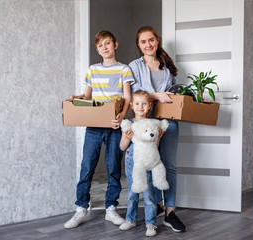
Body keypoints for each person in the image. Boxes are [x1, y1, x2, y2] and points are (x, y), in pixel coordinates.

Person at [64, 30, 135, 229]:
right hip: (94, 126)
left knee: (113, 167)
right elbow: (87, 96)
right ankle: (81, 209)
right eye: (100, 45)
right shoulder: (93, 70)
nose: (104, 47)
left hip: (114, 125)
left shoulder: (124, 69)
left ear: (115, 45)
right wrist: (74, 99)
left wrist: (122, 115)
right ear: (97, 49)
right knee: (87, 166)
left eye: (107, 43)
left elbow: (127, 97)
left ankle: (111, 209)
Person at [128, 26, 186, 233]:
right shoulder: (134, 66)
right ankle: (155, 209)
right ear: (139, 45)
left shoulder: (167, 67)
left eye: (151, 40)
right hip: (146, 124)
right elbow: (135, 95)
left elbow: (175, 93)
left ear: (157, 40)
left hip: (168, 121)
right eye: (143, 42)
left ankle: (170, 211)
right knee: (149, 165)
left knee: (169, 165)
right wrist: (155, 96)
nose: (148, 45)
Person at [119, 90, 163, 237]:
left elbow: (154, 147)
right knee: (132, 193)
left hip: (148, 163)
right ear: (131, 105)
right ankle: (131, 219)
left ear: (149, 106)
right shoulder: (128, 124)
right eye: (137, 103)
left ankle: (150, 223)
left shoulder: (153, 124)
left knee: (149, 194)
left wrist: (158, 138)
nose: (140, 107)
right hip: (132, 163)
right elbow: (122, 147)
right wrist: (126, 137)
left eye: (144, 103)